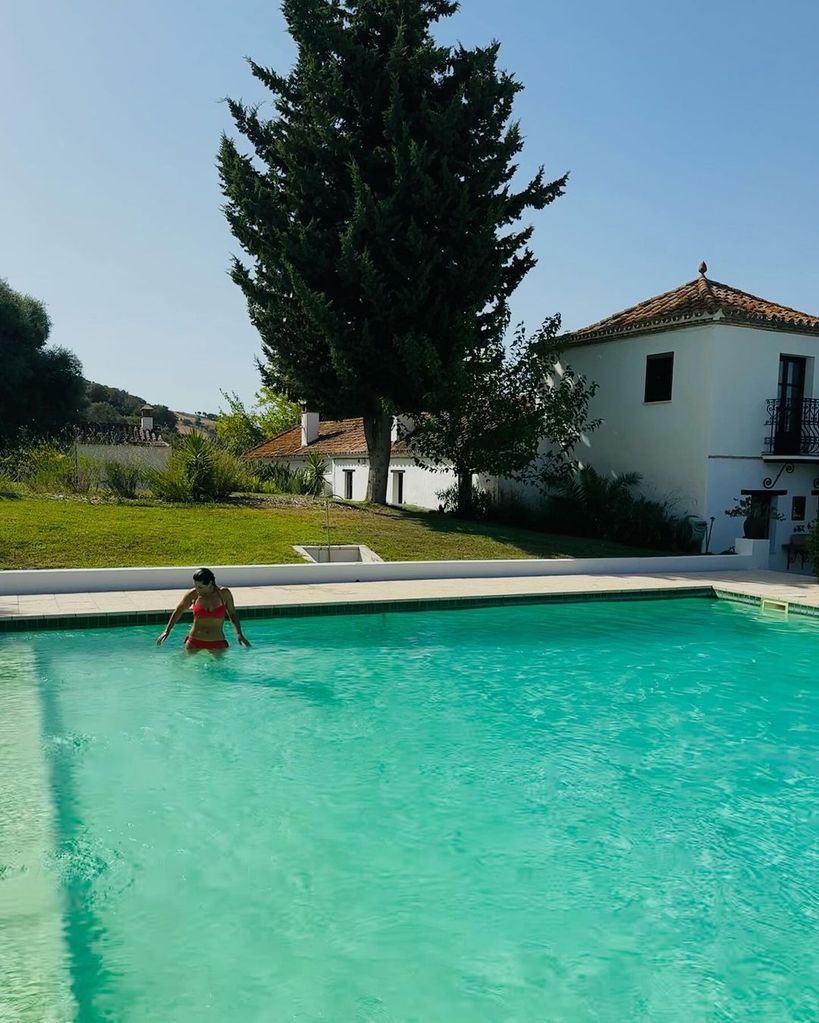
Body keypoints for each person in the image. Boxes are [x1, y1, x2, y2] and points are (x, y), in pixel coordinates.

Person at [156, 568, 250, 654]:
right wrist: (167, 631)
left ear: (210, 583)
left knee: (218, 671)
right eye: (195, 586)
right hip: (194, 642)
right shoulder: (193, 594)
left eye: (200, 587)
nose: (197, 589)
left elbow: (232, 614)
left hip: (217, 642)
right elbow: (179, 611)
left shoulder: (224, 594)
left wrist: (239, 634)